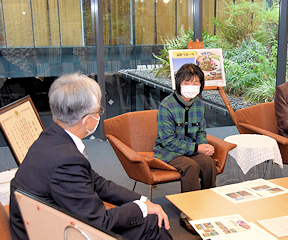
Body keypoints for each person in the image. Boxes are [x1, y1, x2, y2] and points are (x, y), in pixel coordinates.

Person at [9, 73, 172, 240]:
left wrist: (142, 200)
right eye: (98, 111)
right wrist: (141, 208)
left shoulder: (51, 136)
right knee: (153, 223)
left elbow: (96, 182)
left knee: (149, 218)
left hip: (46, 221)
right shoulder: (67, 160)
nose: (100, 115)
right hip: (50, 232)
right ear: (86, 120)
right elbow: (99, 222)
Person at [153, 63, 217, 233]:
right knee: (191, 166)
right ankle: (188, 213)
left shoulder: (198, 104)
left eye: (196, 83)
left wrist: (204, 146)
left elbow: (201, 130)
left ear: (201, 86)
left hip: (191, 149)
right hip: (168, 151)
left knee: (209, 163)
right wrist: (197, 148)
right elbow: (168, 141)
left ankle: (207, 205)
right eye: (187, 83)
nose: (191, 87)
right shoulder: (166, 106)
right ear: (178, 84)